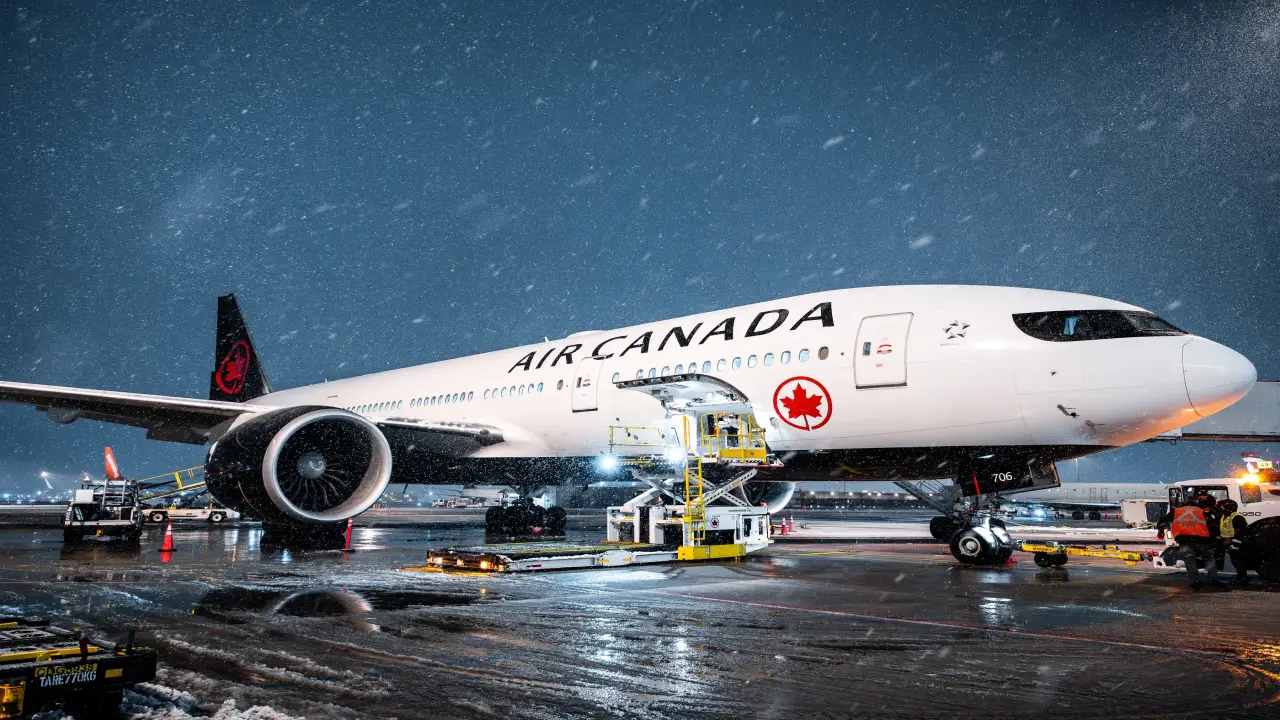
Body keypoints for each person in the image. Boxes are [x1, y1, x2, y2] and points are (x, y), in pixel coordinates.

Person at [1164, 493, 1222, 589]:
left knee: (1189, 560)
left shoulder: (1177, 511)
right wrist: (1215, 537)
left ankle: (1194, 581)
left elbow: (1163, 520)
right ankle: (1214, 579)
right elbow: (1212, 525)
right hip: (1201, 539)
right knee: (1208, 558)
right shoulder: (1201, 511)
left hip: (1184, 539)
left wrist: (1161, 529)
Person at [1214, 499, 1250, 585]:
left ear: (1228, 507)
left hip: (1235, 542)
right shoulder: (1224, 516)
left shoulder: (1237, 517)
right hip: (1227, 541)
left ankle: (1243, 578)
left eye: (1222, 506)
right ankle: (1241, 577)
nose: (1221, 508)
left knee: (1238, 560)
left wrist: (1235, 545)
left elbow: (1241, 532)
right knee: (1235, 560)